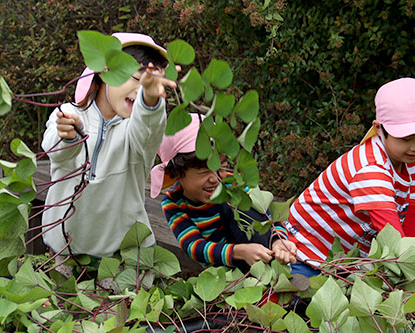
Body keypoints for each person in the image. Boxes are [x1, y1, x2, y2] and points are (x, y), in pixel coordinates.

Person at [41, 32, 177, 270]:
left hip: (123, 258)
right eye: (136, 78)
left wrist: (152, 102)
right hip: (64, 248)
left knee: (118, 309)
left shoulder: (137, 128)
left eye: (149, 84)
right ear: (105, 71)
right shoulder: (68, 114)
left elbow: (148, 131)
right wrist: (68, 136)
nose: (140, 90)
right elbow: (57, 153)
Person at [285, 77, 415, 277]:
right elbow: (392, 236)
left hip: (347, 252)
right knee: (298, 299)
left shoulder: (409, 160)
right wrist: (410, 275)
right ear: (379, 128)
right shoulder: (370, 170)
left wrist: (413, 262)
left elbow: (408, 213)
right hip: (309, 247)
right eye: (405, 139)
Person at [150, 114, 297, 271]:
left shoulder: (232, 181)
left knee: (242, 200)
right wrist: (238, 252)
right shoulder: (174, 203)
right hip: (224, 270)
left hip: (263, 254)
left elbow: (267, 216)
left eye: (221, 166)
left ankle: (275, 263)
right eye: (203, 171)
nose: (214, 178)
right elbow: (194, 246)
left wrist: (278, 240)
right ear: (177, 173)